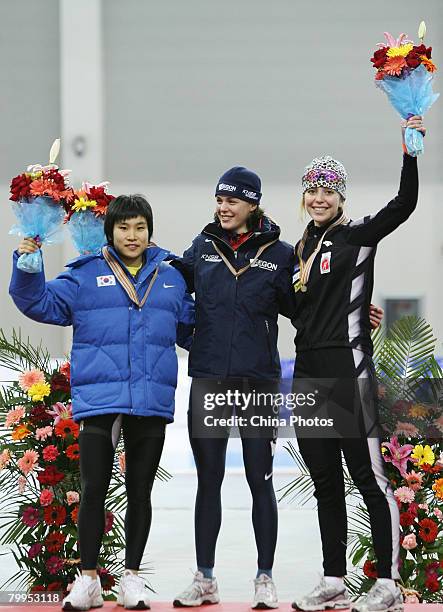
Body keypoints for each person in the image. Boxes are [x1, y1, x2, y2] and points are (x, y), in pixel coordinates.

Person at [171, 167, 384, 609]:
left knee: (258, 478)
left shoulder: (283, 254)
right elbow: (170, 290)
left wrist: (357, 307)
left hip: (259, 381)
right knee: (207, 480)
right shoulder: (202, 247)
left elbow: (306, 305)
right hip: (209, 378)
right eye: (219, 199)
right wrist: (187, 337)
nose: (223, 207)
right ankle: (205, 577)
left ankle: (264, 577)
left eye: (233, 201)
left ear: (253, 204)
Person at [9, 195, 194, 612]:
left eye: (140, 227)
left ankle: (131, 579)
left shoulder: (171, 279)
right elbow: (38, 303)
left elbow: (193, 330)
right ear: (109, 231)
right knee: (94, 490)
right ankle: (87, 578)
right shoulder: (85, 276)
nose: (133, 235)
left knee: (140, 491)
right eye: (124, 227)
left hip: (150, 397)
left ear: (150, 230)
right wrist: (27, 268)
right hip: (101, 398)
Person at [290, 116, 425, 612]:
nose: (320, 198)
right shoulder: (299, 248)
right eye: (313, 190)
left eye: (328, 191)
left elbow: (405, 204)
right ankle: (332, 580)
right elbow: (294, 304)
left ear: (341, 198)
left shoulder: (359, 236)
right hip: (308, 374)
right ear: (304, 196)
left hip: (349, 370)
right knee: (325, 481)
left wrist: (411, 151)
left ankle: (388, 584)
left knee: (369, 478)